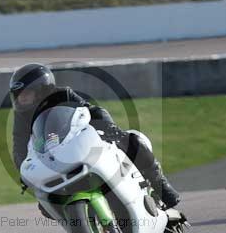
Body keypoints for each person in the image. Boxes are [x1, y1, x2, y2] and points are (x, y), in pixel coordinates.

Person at [10, 63, 181, 208]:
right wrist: (24, 173)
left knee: (132, 140)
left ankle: (161, 185)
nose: (21, 100)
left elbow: (93, 110)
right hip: (54, 157)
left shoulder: (64, 95)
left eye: (26, 94)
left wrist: (109, 127)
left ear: (42, 89)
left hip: (79, 143)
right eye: (19, 96)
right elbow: (19, 148)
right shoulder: (21, 117)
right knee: (44, 204)